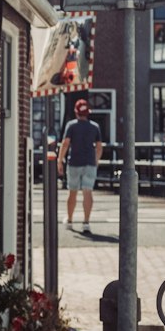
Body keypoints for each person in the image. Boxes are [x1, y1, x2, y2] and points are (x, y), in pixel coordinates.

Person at [57, 98, 103, 234]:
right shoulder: (95, 127)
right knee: (87, 191)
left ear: (76, 112)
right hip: (89, 162)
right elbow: (99, 147)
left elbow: (65, 144)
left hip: (74, 162)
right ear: (88, 112)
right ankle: (86, 222)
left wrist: (60, 160)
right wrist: (96, 160)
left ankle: (70, 220)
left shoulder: (71, 126)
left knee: (73, 192)